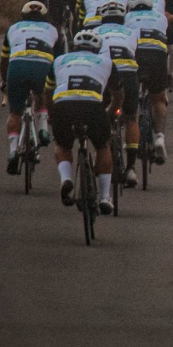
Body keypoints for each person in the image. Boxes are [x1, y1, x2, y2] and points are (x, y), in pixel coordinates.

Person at [49, 30, 117, 213]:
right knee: (103, 146)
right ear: (98, 49)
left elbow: (47, 92)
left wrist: (51, 114)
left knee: (62, 145)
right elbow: (118, 94)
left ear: (74, 47)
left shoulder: (59, 60)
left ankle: (66, 179)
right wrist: (110, 112)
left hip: (63, 104)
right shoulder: (106, 62)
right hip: (93, 106)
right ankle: (104, 197)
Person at [1, 1, 62, 175]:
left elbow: (4, 59)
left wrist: (4, 81)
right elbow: (58, 60)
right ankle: (42, 128)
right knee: (41, 93)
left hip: (17, 68)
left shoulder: (12, 28)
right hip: (42, 67)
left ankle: (13, 150)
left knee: (15, 113)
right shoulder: (52, 30)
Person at [94, 5, 141, 187]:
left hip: (105, 74)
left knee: (102, 115)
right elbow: (136, 55)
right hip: (128, 74)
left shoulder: (95, 31)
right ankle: (130, 168)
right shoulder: (130, 32)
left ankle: (102, 158)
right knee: (130, 118)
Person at [126, 0, 170, 164]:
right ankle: (159, 137)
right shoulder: (161, 18)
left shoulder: (127, 17)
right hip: (157, 56)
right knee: (157, 100)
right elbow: (171, 45)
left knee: (130, 98)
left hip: (135, 56)